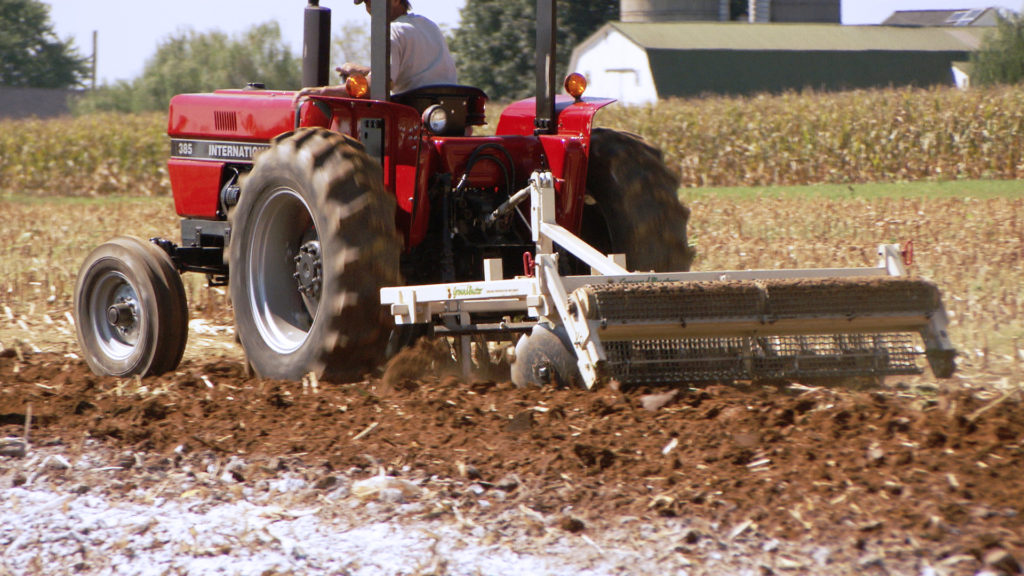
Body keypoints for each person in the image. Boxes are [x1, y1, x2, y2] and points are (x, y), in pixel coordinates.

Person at [296, 0, 456, 102]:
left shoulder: (392, 31)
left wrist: (321, 91)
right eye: (367, 3)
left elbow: (376, 87)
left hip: (413, 117)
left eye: (373, 2)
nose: (370, 9)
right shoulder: (429, 26)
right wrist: (366, 71)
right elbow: (409, 73)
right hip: (447, 111)